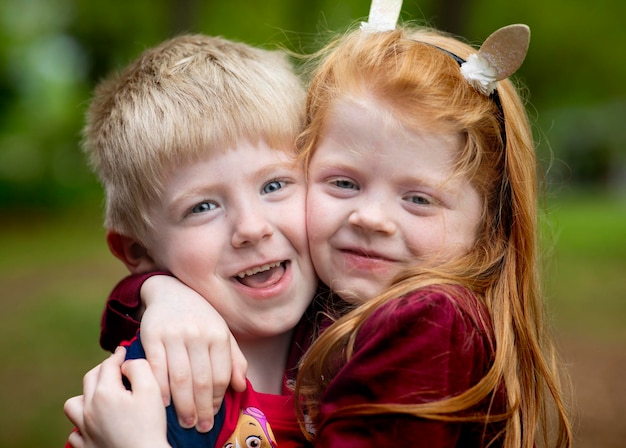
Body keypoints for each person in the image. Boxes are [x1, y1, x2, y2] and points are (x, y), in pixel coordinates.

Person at [68, 10, 573, 448]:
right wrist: (162, 293)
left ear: (489, 221)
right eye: (343, 183)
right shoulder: (322, 309)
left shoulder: (427, 320)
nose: (252, 228)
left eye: (273, 186)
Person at [63, 33, 321, 448]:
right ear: (139, 252)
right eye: (202, 207)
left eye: (275, 184)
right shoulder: (145, 397)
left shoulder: (365, 329)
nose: (252, 228)